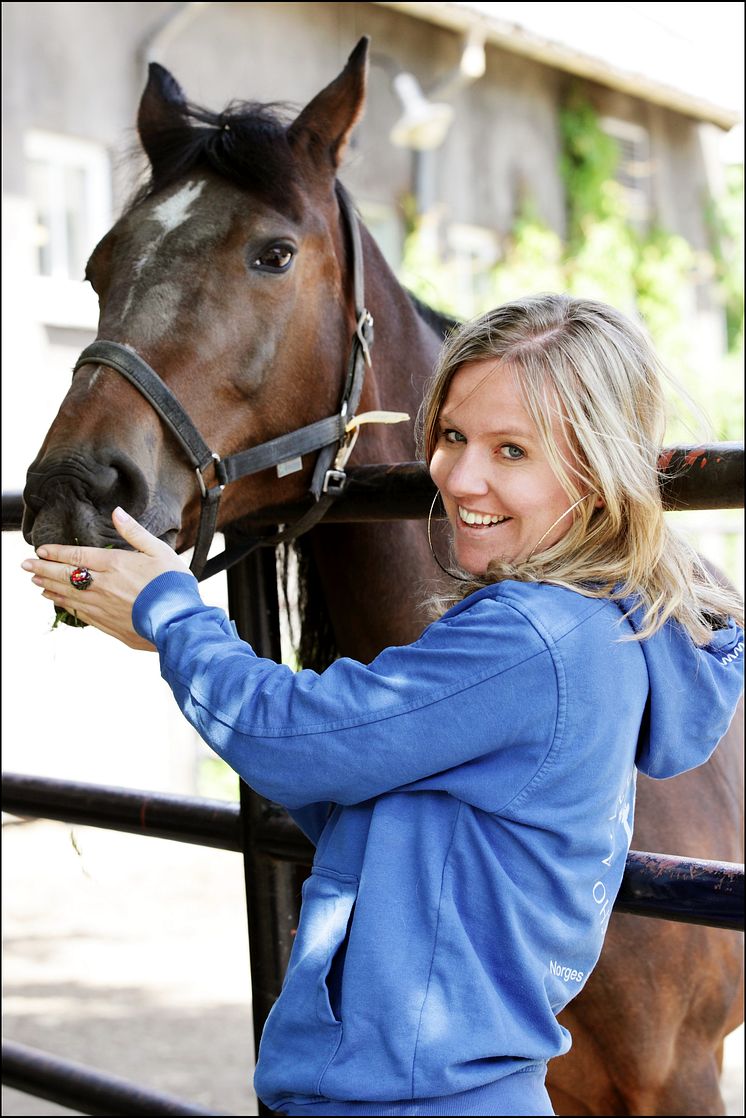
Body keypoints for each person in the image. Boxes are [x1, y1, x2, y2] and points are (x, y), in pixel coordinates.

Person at [22, 294, 744, 1117]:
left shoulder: (531, 641)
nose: (462, 477)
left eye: (513, 450)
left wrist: (174, 617)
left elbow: (301, 741)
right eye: (452, 436)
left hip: (408, 1096)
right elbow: (363, 779)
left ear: (598, 469)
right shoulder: (588, 625)